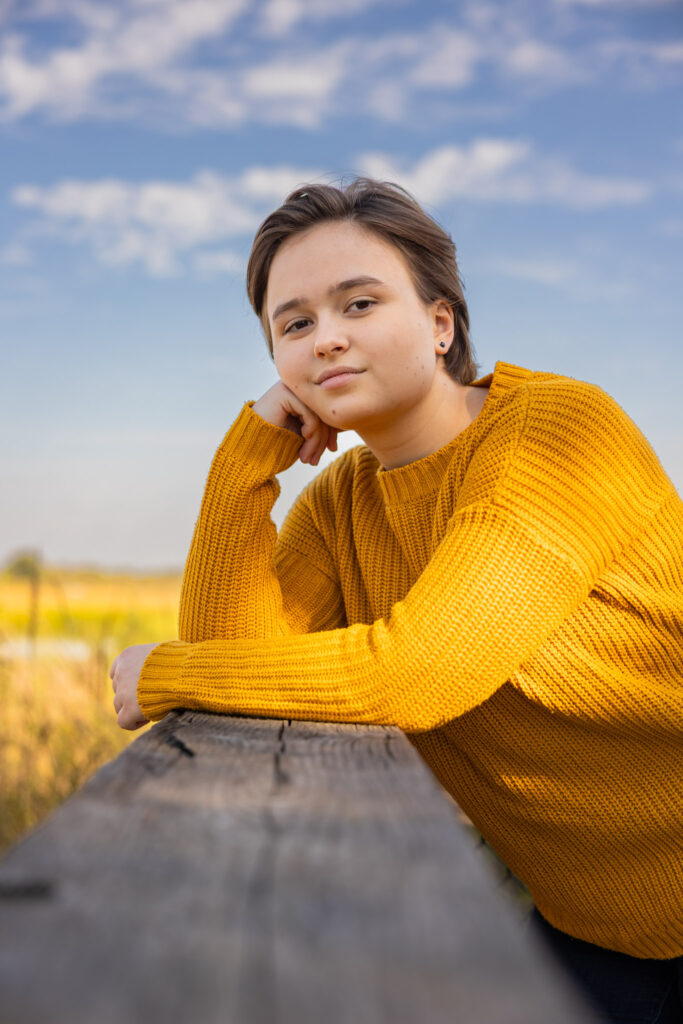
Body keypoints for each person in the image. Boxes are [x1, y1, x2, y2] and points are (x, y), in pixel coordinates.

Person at [110, 177, 683, 1023]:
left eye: (359, 303)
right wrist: (245, 463)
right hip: (596, 928)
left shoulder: (558, 434)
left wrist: (163, 676)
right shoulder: (342, 502)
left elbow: (421, 672)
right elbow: (232, 646)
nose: (326, 340)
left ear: (440, 323)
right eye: (294, 323)